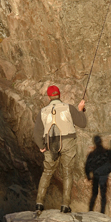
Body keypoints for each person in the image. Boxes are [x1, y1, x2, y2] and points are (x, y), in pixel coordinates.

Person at [33, 85, 86, 215]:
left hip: (50, 143)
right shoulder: (69, 108)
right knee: (67, 173)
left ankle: (39, 204)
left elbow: (36, 133)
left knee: (47, 172)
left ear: (49, 96)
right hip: (68, 142)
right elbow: (83, 123)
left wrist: (41, 146)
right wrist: (80, 110)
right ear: (59, 95)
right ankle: (65, 206)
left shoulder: (43, 111)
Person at [85, 135, 111, 213]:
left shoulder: (92, 154)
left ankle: (90, 211)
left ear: (94, 142)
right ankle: (102, 212)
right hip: (104, 176)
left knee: (94, 194)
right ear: (101, 141)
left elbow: (87, 165)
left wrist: (88, 175)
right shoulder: (107, 152)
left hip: (96, 176)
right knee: (103, 195)